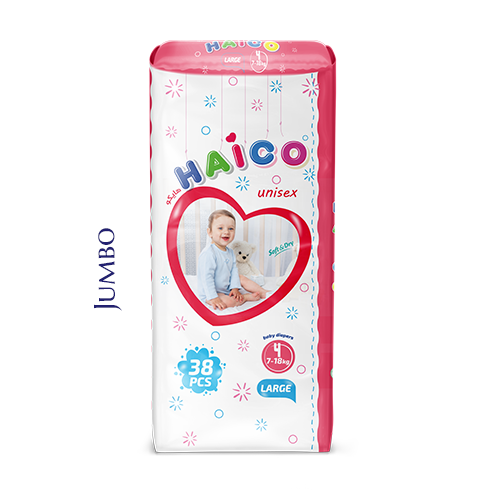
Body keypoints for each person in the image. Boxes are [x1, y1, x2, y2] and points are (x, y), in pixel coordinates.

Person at [198, 209, 267, 310]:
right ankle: (245, 297)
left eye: (230, 228)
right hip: (211, 292)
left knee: (241, 277)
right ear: (210, 232)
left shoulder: (230, 252)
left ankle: (264, 292)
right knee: (228, 302)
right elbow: (206, 277)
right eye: (220, 228)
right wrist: (213, 297)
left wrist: (234, 288)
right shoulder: (209, 253)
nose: (226, 232)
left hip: (226, 287)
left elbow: (234, 271)